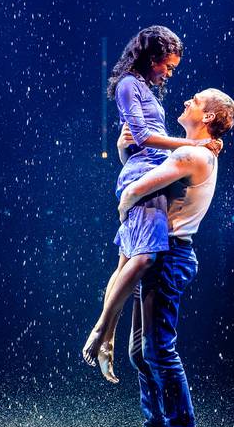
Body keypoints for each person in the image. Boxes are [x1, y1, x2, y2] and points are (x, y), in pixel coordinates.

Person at [82, 27, 219, 371]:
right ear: (152, 58)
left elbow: (137, 143)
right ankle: (100, 330)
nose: (169, 74)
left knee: (125, 261)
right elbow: (142, 137)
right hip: (144, 175)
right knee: (142, 259)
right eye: (168, 66)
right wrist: (192, 145)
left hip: (146, 170)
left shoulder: (142, 88)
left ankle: (108, 337)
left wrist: (196, 146)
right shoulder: (129, 84)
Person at [110, 88, 234, 427]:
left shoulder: (190, 154)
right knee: (140, 351)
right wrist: (126, 151)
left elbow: (137, 187)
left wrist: (126, 203)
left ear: (209, 117)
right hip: (161, 252)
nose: (186, 102)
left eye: (196, 101)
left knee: (160, 350)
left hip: (170, 257)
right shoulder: (189, 152)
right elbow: (139, 169)